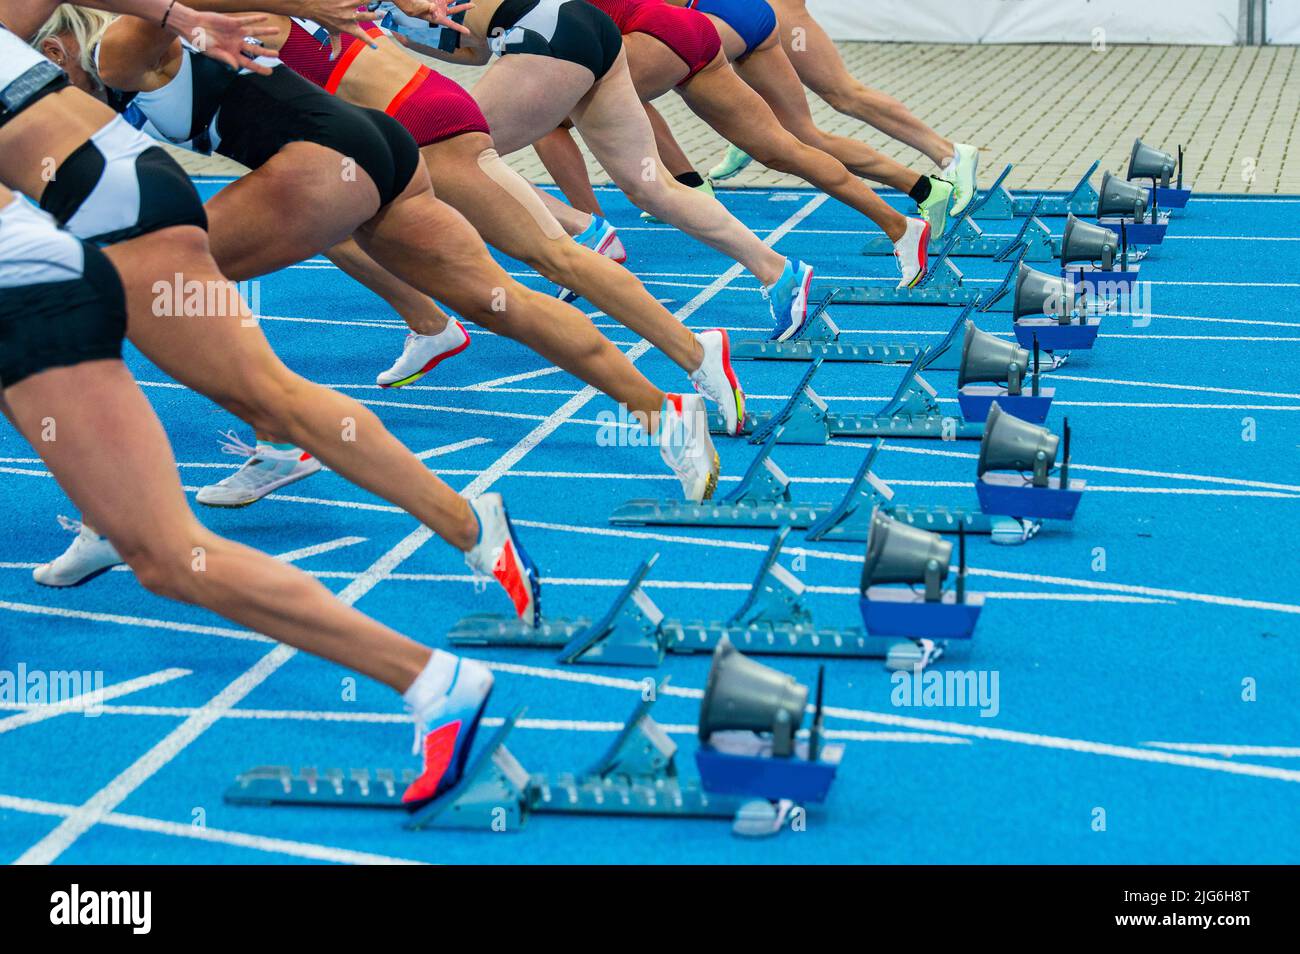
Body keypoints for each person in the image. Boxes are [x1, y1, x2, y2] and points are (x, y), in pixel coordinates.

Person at [0, 5, 499, 810]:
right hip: (104, 195)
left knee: (174, 544)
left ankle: (437, 672)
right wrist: (182, 16)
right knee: (223, 444)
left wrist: (182, 18)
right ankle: (463, 549)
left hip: (75, 231)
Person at [30, 4, 718, 583]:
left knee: (127, 296)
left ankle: (120, 515)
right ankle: (666, 414)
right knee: (501, 302)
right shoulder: (105, 93)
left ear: (55, 47)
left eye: (33, 81)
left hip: (329, 160)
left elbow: (177, 9)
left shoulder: (119, 46)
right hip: (377, 151)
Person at [712, 0, 981, 216]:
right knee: (828, 104)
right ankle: (750, 137)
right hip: (756, 15)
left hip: (779, 18)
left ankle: (948, 154)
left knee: (844, 95)